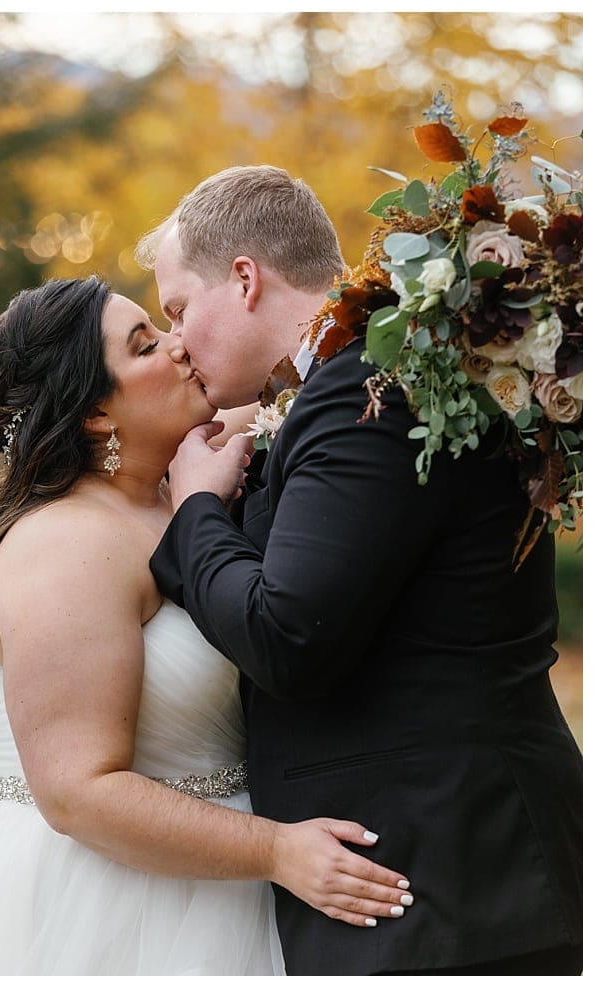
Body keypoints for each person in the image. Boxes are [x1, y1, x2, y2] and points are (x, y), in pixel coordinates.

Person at [145, 165, 583, 975]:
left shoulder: (370, 395)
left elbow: (289, 639)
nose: (176, 340)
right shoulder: (365, 381)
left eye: (178, 310)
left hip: (451, 879)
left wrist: (195, 512)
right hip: (432, 873)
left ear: (244, 279)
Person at [0, 276, 413, 975]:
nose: (181, 345)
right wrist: (277, 850)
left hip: (227, 888)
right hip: (115, 907)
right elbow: (77, 791)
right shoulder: (68, 544)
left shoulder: (181, 497)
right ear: (96, 414)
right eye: (145, 346)